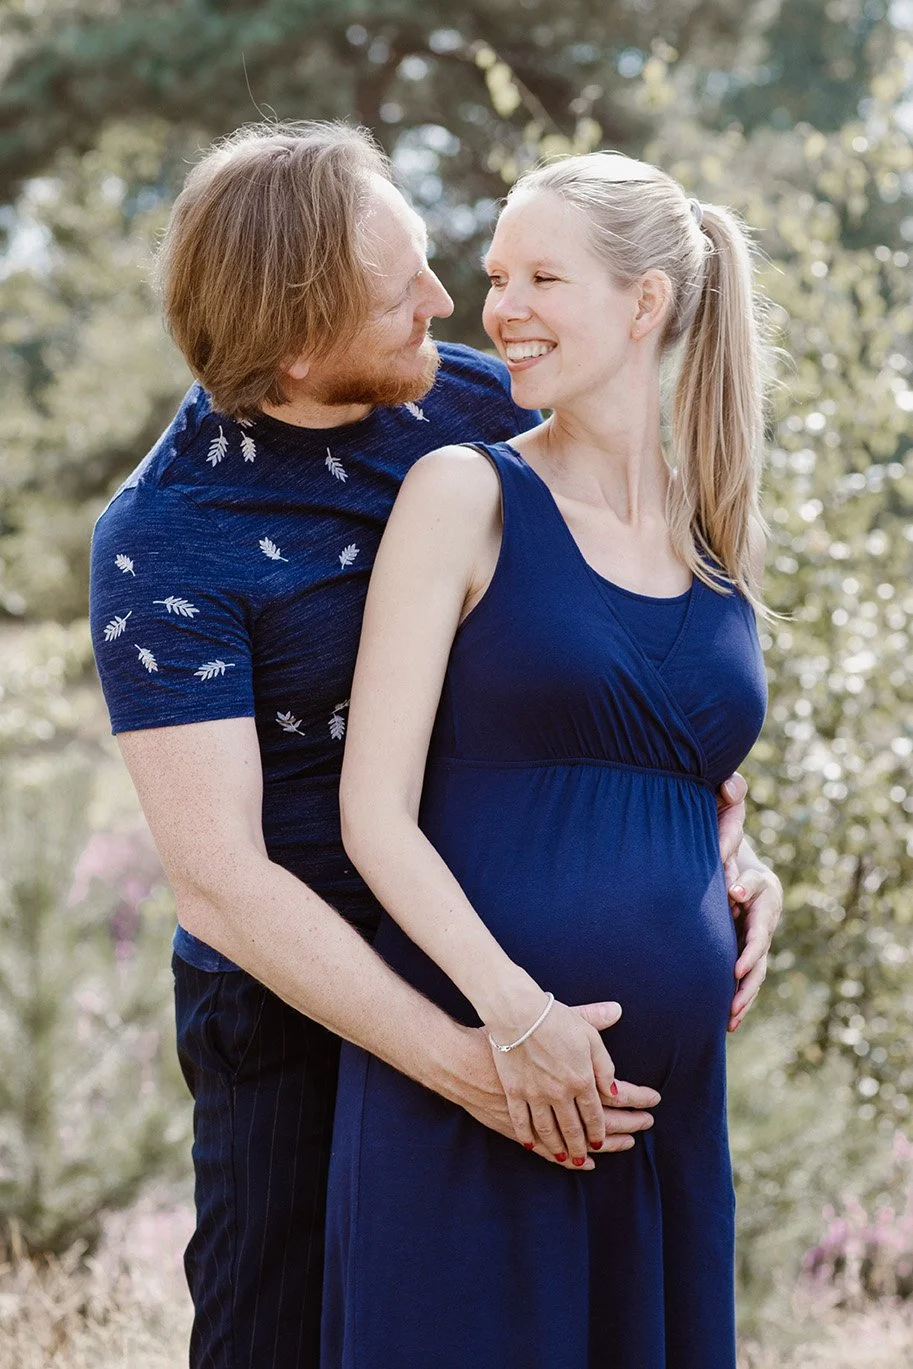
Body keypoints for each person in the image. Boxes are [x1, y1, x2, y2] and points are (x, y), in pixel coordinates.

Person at [87, 123, 780, 1369]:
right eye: (402, 287)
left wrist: (721, 850)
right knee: (273, 1339)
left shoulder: (459, 391)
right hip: (299, 1011)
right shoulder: (165, 539)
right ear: (300, 345)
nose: (449, 302)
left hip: (560, 1031)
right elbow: (227, 887)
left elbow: (611, 664)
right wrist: (475, 1056)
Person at [323, 151, 777, 1369]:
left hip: (661, 1130)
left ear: (645, 304)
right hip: (479, 1092)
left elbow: (684, 772)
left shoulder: (713, 535)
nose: (499, 308)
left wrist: (743, 865)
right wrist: (517, 1021)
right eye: (494, 276)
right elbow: (375, 814)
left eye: (541, 276)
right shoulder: (464, 493)